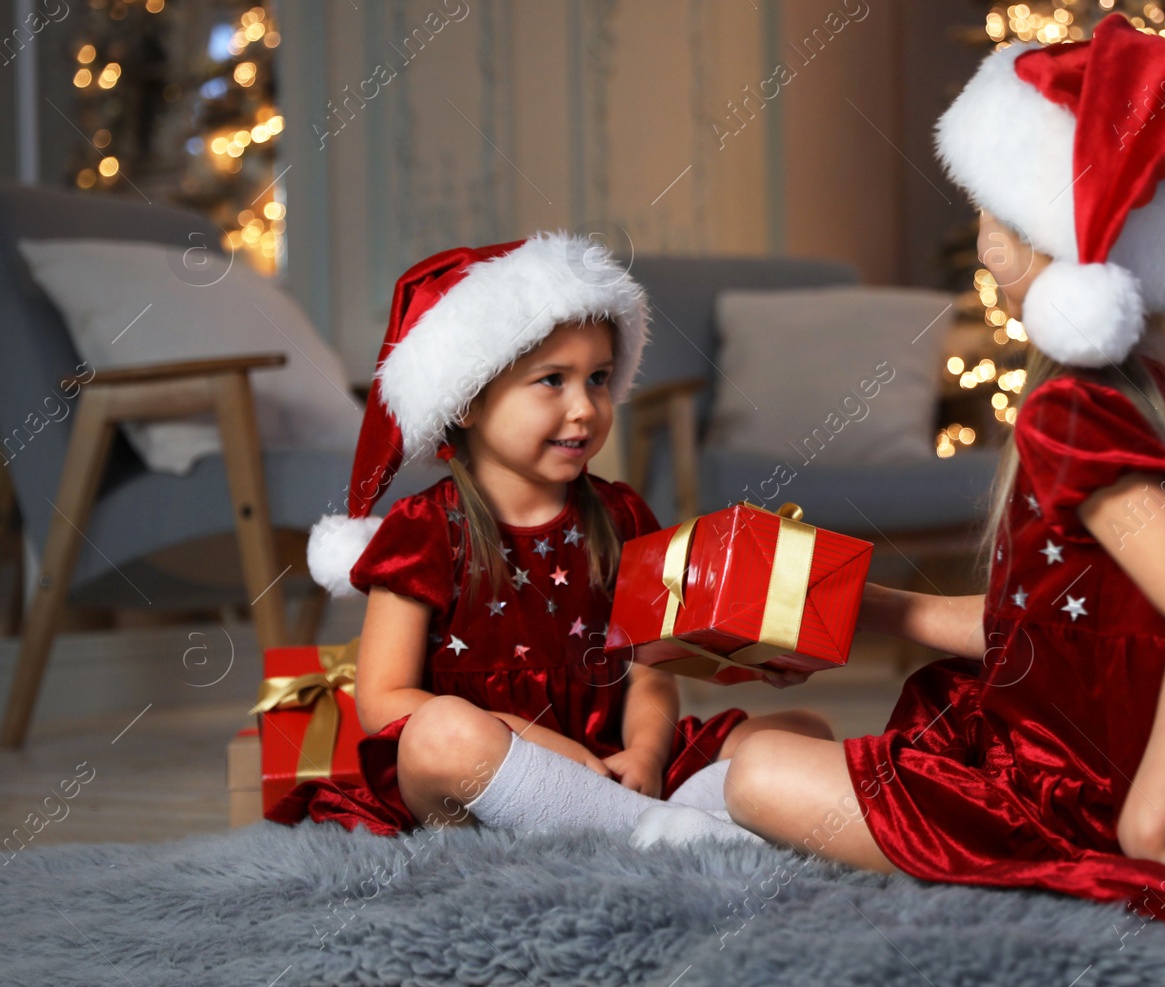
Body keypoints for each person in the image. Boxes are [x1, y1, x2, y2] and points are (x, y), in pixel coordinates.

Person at [723, 14, 1165, 954]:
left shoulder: (1075, 410)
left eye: (992, 211)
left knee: (755, 771)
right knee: (862, 725)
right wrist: (867, 608)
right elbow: (1055, 624)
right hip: (1128, 759)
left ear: (1050, 234)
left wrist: (1147, 830)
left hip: (1077, 793)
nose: (983, 243)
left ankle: (1081, 865)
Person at [268, 232, 829, 841]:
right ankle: (652, 828)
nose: (586, 407)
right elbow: (383, 700)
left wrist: (642, 754)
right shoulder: (423, 532)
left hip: (611, 757)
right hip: (492, 770)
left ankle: (632, 817)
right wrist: (529, 737)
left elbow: (650, 676)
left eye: (598, 378)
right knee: (440, 736)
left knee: (802, 732)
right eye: (552, 380)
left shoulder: (620, 516)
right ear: (468, 401)